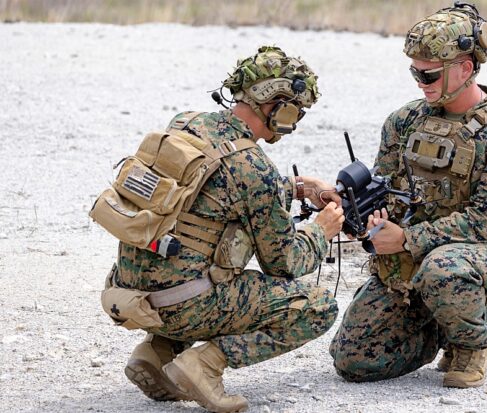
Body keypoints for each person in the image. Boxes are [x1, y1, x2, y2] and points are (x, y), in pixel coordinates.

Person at [108, 46, 343, 412]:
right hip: (183, 305)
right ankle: (205, 364)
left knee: (191, 260)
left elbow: (215, 188)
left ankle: (156, 352)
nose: (295, 121)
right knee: (317, 307)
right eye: (296, 110)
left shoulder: (186, 124)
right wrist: (320, 231)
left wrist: (296, 187)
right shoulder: (254, 167)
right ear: (278, 104)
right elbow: (285, 263)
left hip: (128, 291)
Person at [330, 2, 487, 388]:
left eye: (429, 74)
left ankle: (470, 345)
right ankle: (437, 326)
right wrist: (357, 212)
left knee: (444, 270)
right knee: (354, 361)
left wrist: (406, 238)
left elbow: (486, 221)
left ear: (465, 69)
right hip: (410, 261)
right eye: (415, 72)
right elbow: (386, 189)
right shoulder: (405, 122)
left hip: (476, 260)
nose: (420, 82)